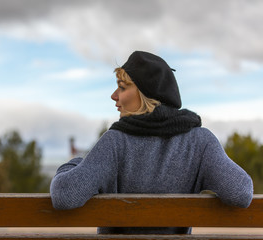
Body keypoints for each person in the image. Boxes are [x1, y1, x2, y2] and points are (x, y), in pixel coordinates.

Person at [49, 51, 253, 234]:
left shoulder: (116, 142)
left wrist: (74, 164)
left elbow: (64, 195)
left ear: (146, 95)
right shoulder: (200, 142)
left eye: (122, 87)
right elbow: (241, 192)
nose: (114, 96)